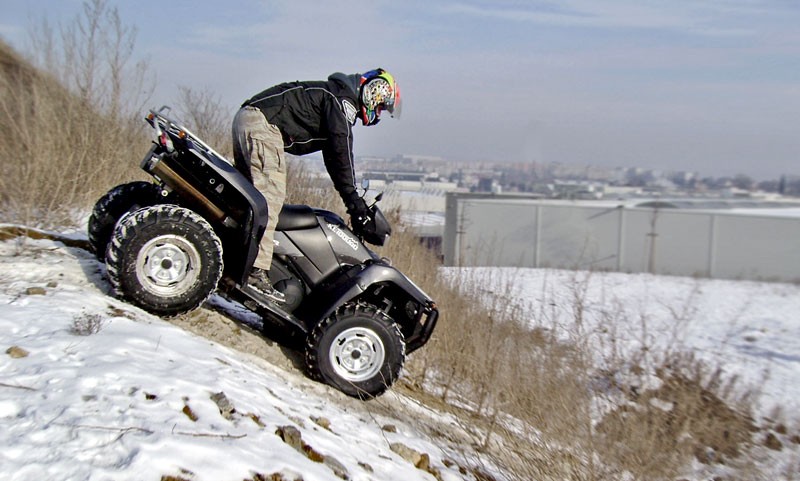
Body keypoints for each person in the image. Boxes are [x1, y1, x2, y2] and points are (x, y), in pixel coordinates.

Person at [232, 68, 401, 302]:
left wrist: (352, 200)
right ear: (375, 94)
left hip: (253, 120)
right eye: (382, 106)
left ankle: (233, 257)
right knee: (270, 197)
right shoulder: (341, 101)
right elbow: (341, 151)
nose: (380, 113)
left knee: (248, 201)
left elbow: (334, 158)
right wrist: (355, 203)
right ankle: (254, 272)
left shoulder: (336, 97)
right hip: (263, 125)